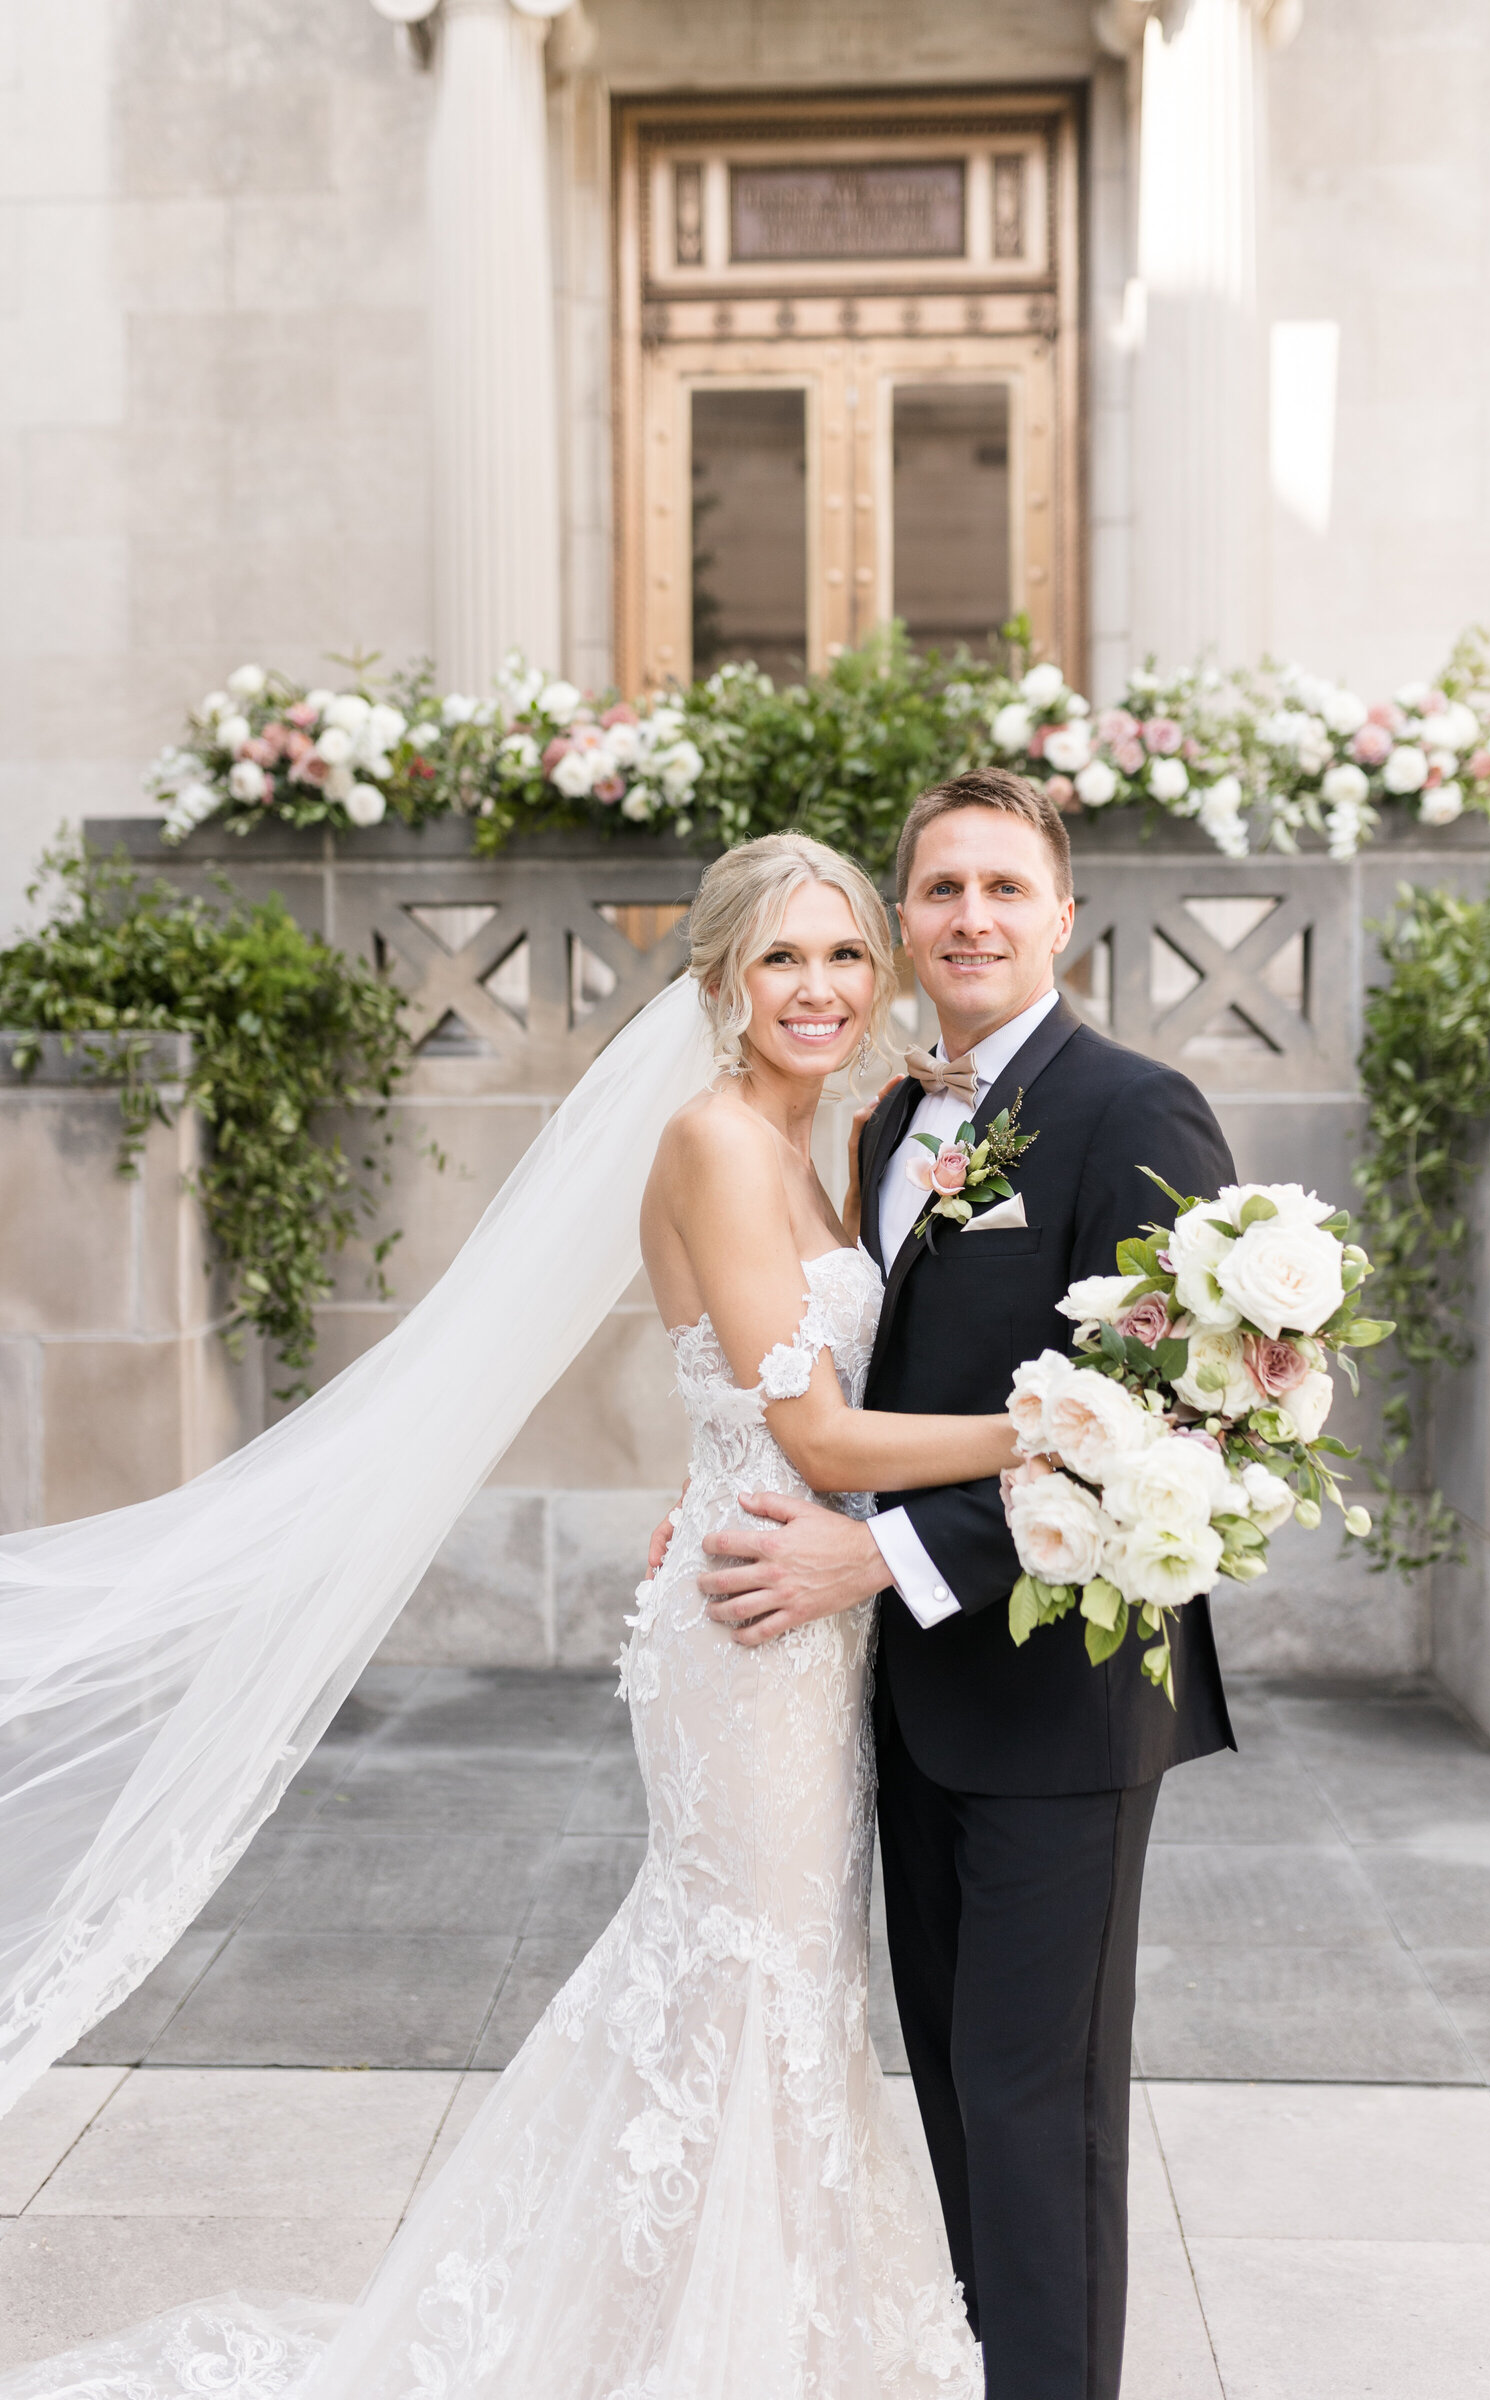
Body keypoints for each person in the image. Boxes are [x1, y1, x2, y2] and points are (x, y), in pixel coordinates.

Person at [0, 831, 1026, 2400]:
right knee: (748, 1978)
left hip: (802, 1616)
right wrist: (1050, 1431)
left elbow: (776, 1406)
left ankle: (728, 2332)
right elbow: (814, 1437)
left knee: (778, 1984)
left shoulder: (817, 1142)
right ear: (722, 979)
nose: (816, 989)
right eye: (781, 958)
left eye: (840, 957)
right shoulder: (717, 1143)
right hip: (751, 1638)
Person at [692, 770, 1237, 2400]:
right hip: (898, 1706)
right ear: (906, 922)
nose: (974, 918)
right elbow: (834, 1374)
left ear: (1063, 914)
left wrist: (881, 1550)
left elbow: (1184, 1430)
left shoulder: (1135, 1109)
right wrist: (734, 1497)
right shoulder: (878, 1121)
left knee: (1035, 2115)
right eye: (941, 891)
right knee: (949, 2102)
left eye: (1008, 888)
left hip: (1056, 1706)